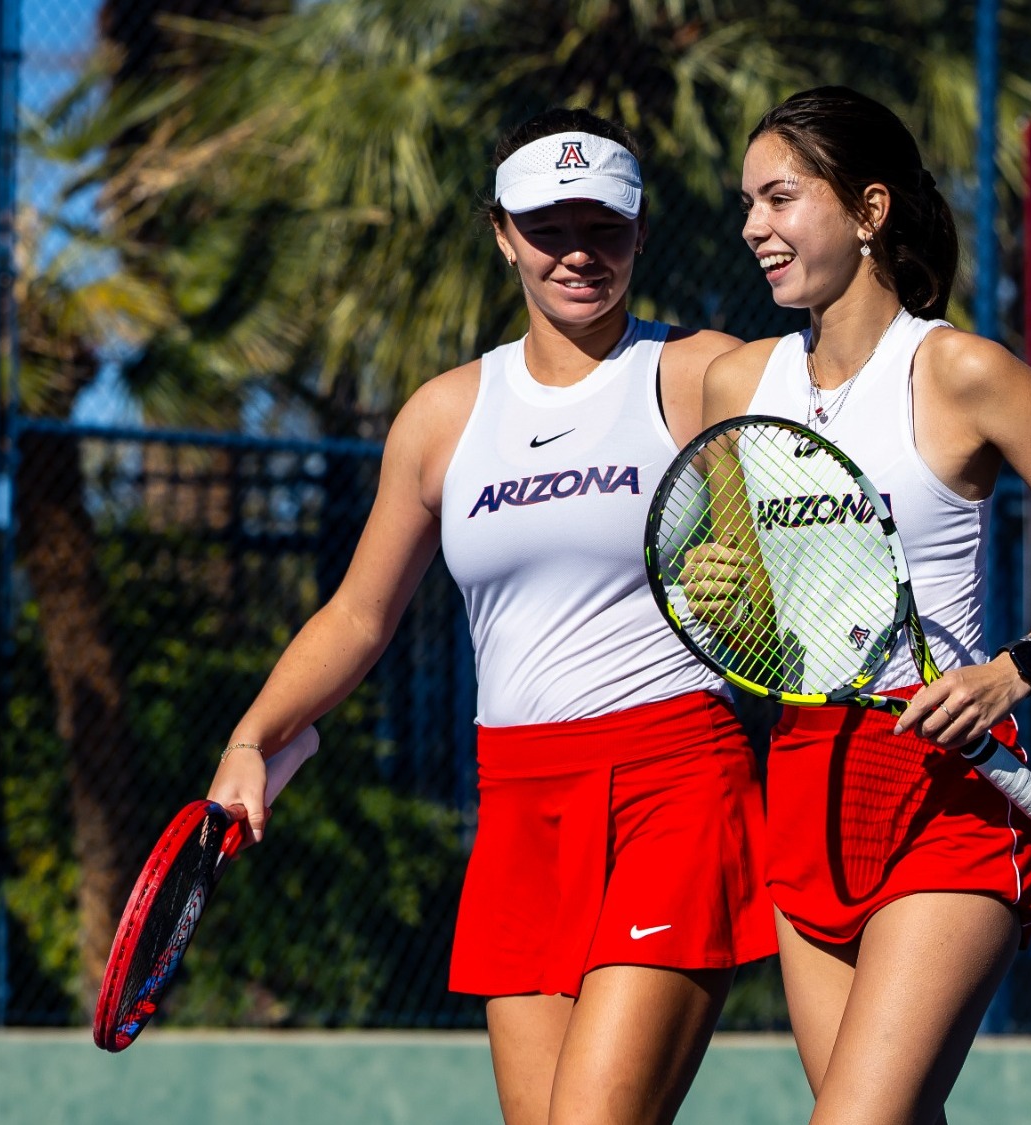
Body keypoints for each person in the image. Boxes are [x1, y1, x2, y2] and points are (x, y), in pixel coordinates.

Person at [205, 108, 774, 1125]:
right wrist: (254, 736)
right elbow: (356, 616)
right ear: (502, 234)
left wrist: (754, 584)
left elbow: (808, 561)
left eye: (602, 226)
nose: (577, 253)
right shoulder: (441, 416)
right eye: (548, 227)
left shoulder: (702, 374)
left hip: (673, 783)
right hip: (518, 804)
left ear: (641, 232)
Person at [700, 87, 1031, 1122]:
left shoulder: (961, 370)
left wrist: (1012, 670)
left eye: (778, 199)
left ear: (867, 211)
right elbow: (749, 618)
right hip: (804, 786)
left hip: (944, 795)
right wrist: (721, 588)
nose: (752, 230)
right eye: (745, 206)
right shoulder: (733, 385)